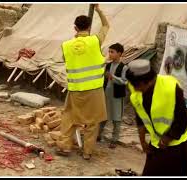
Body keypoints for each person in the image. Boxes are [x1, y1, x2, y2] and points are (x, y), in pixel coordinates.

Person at [55, 4, 109, 160]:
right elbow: (106, 25)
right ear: (89, 26)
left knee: (69, 118)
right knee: (93, 123)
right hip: (95, 89)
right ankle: (87, 152)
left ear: (75, 28)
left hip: (76, 89)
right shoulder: (95, 41)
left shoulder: (66, 46)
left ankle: (65, 147)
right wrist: (98, 9)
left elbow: (67, 60)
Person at [126, 59, 187, 176]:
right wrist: (142, 141)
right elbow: (140, 116)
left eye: (137, 86)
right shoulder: (135, 86)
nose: (134, 89)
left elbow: (182, 121)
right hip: (156, 141)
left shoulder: (171, 88)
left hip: (177, 142)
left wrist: (166, 139)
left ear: (148, 81)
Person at [97, 43, 128, 149]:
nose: (109, 54)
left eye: (112, 52)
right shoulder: (108, 65)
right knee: (103, 116)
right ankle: (98, 135)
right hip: (106, 94)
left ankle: (114, 140)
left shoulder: (124, 67)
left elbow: (124, 82)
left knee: (116, 118)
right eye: (109, 51)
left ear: (119, 53)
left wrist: (112, 77)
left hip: (117, 97)